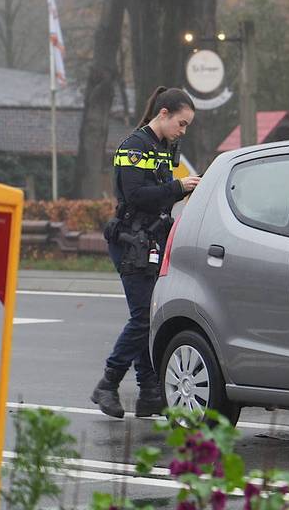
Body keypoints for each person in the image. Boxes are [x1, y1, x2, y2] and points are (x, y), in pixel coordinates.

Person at [91, 86, 200, 418]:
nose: (182, 131)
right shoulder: (134, 147)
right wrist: (177, 188)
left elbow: (161, 196)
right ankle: (107, 384)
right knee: (143, 317)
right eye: (181, 124)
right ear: (163, 114)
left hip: (151, 239)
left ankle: (150, 392)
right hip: (131, 240)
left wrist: (181, 192)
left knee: (149, 317)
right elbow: (137, 194)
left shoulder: (165, 147)